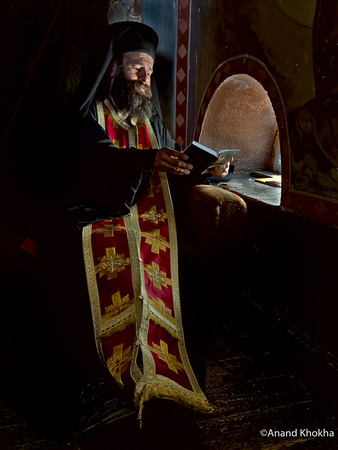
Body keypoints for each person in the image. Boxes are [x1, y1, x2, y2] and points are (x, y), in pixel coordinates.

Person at [60, 20, 215, 426]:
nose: (146, 78)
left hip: (152, 230)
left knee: (178, 280)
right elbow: (94, 162)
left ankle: (161, 371)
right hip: (98, 224)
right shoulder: (90, 115)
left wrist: (201, 169)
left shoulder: (152, 125)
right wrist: (147, 161)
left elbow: (171, 166)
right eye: (136, 68)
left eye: (149, 69)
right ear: (113, 69)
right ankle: (116, 375)